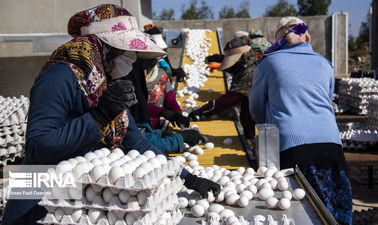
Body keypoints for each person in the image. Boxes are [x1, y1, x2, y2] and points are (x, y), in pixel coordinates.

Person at [2, 5, 219, 225]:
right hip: (36, 196)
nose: (132, 59)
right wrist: (99, 116)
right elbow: (36, 147)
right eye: (126, 51)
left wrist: (186, 177)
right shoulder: (58, 77)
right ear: (102, 47)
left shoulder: (105, 86)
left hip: (81, 200)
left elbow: (138, 144)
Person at [249, 17, 352, 225]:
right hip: (331, 144)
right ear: (307, 36)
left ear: (279, 39)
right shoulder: (325, 64)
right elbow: (326, 101)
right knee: (335, 213)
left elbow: (257, 110)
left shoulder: (268, 63)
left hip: (292, 146)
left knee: (300, 213)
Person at [189, 33, 269, 147]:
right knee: (246, 110)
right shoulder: (249, 60)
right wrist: (249, 137)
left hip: (270, 118)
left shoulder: (250, 71)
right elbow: (246, 110)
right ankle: (251, 138)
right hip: (257, 117)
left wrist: (202, 111)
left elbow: (229, 99)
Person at [126, 58, 204, 153]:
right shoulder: (130, 84)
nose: (146, 73)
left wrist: (176, 114)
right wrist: (162, 112)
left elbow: (170, 100)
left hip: (153, 128)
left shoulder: (161, 76)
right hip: (143, 128)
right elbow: (137, 107)